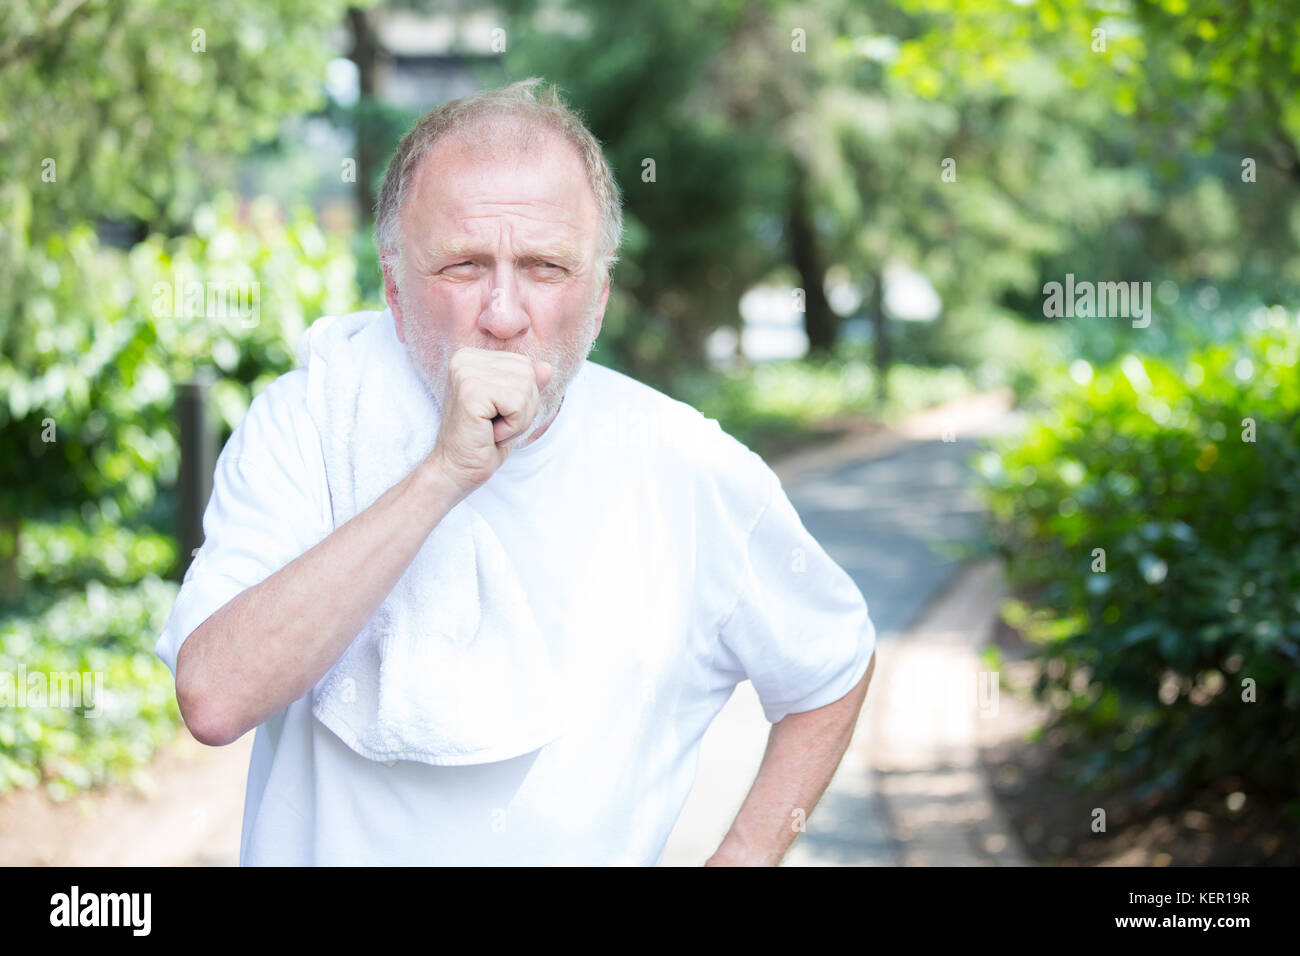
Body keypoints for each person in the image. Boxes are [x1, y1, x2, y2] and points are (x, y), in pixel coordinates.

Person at [155, 77, 877, 866]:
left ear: (598, 300)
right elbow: (215, 697)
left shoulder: (686, 465)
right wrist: (441, 475)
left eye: (544, 267)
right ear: (395, 292)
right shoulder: (312, 422)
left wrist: (740, 858)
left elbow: (831, 667)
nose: (503, 314)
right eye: (463, 266)